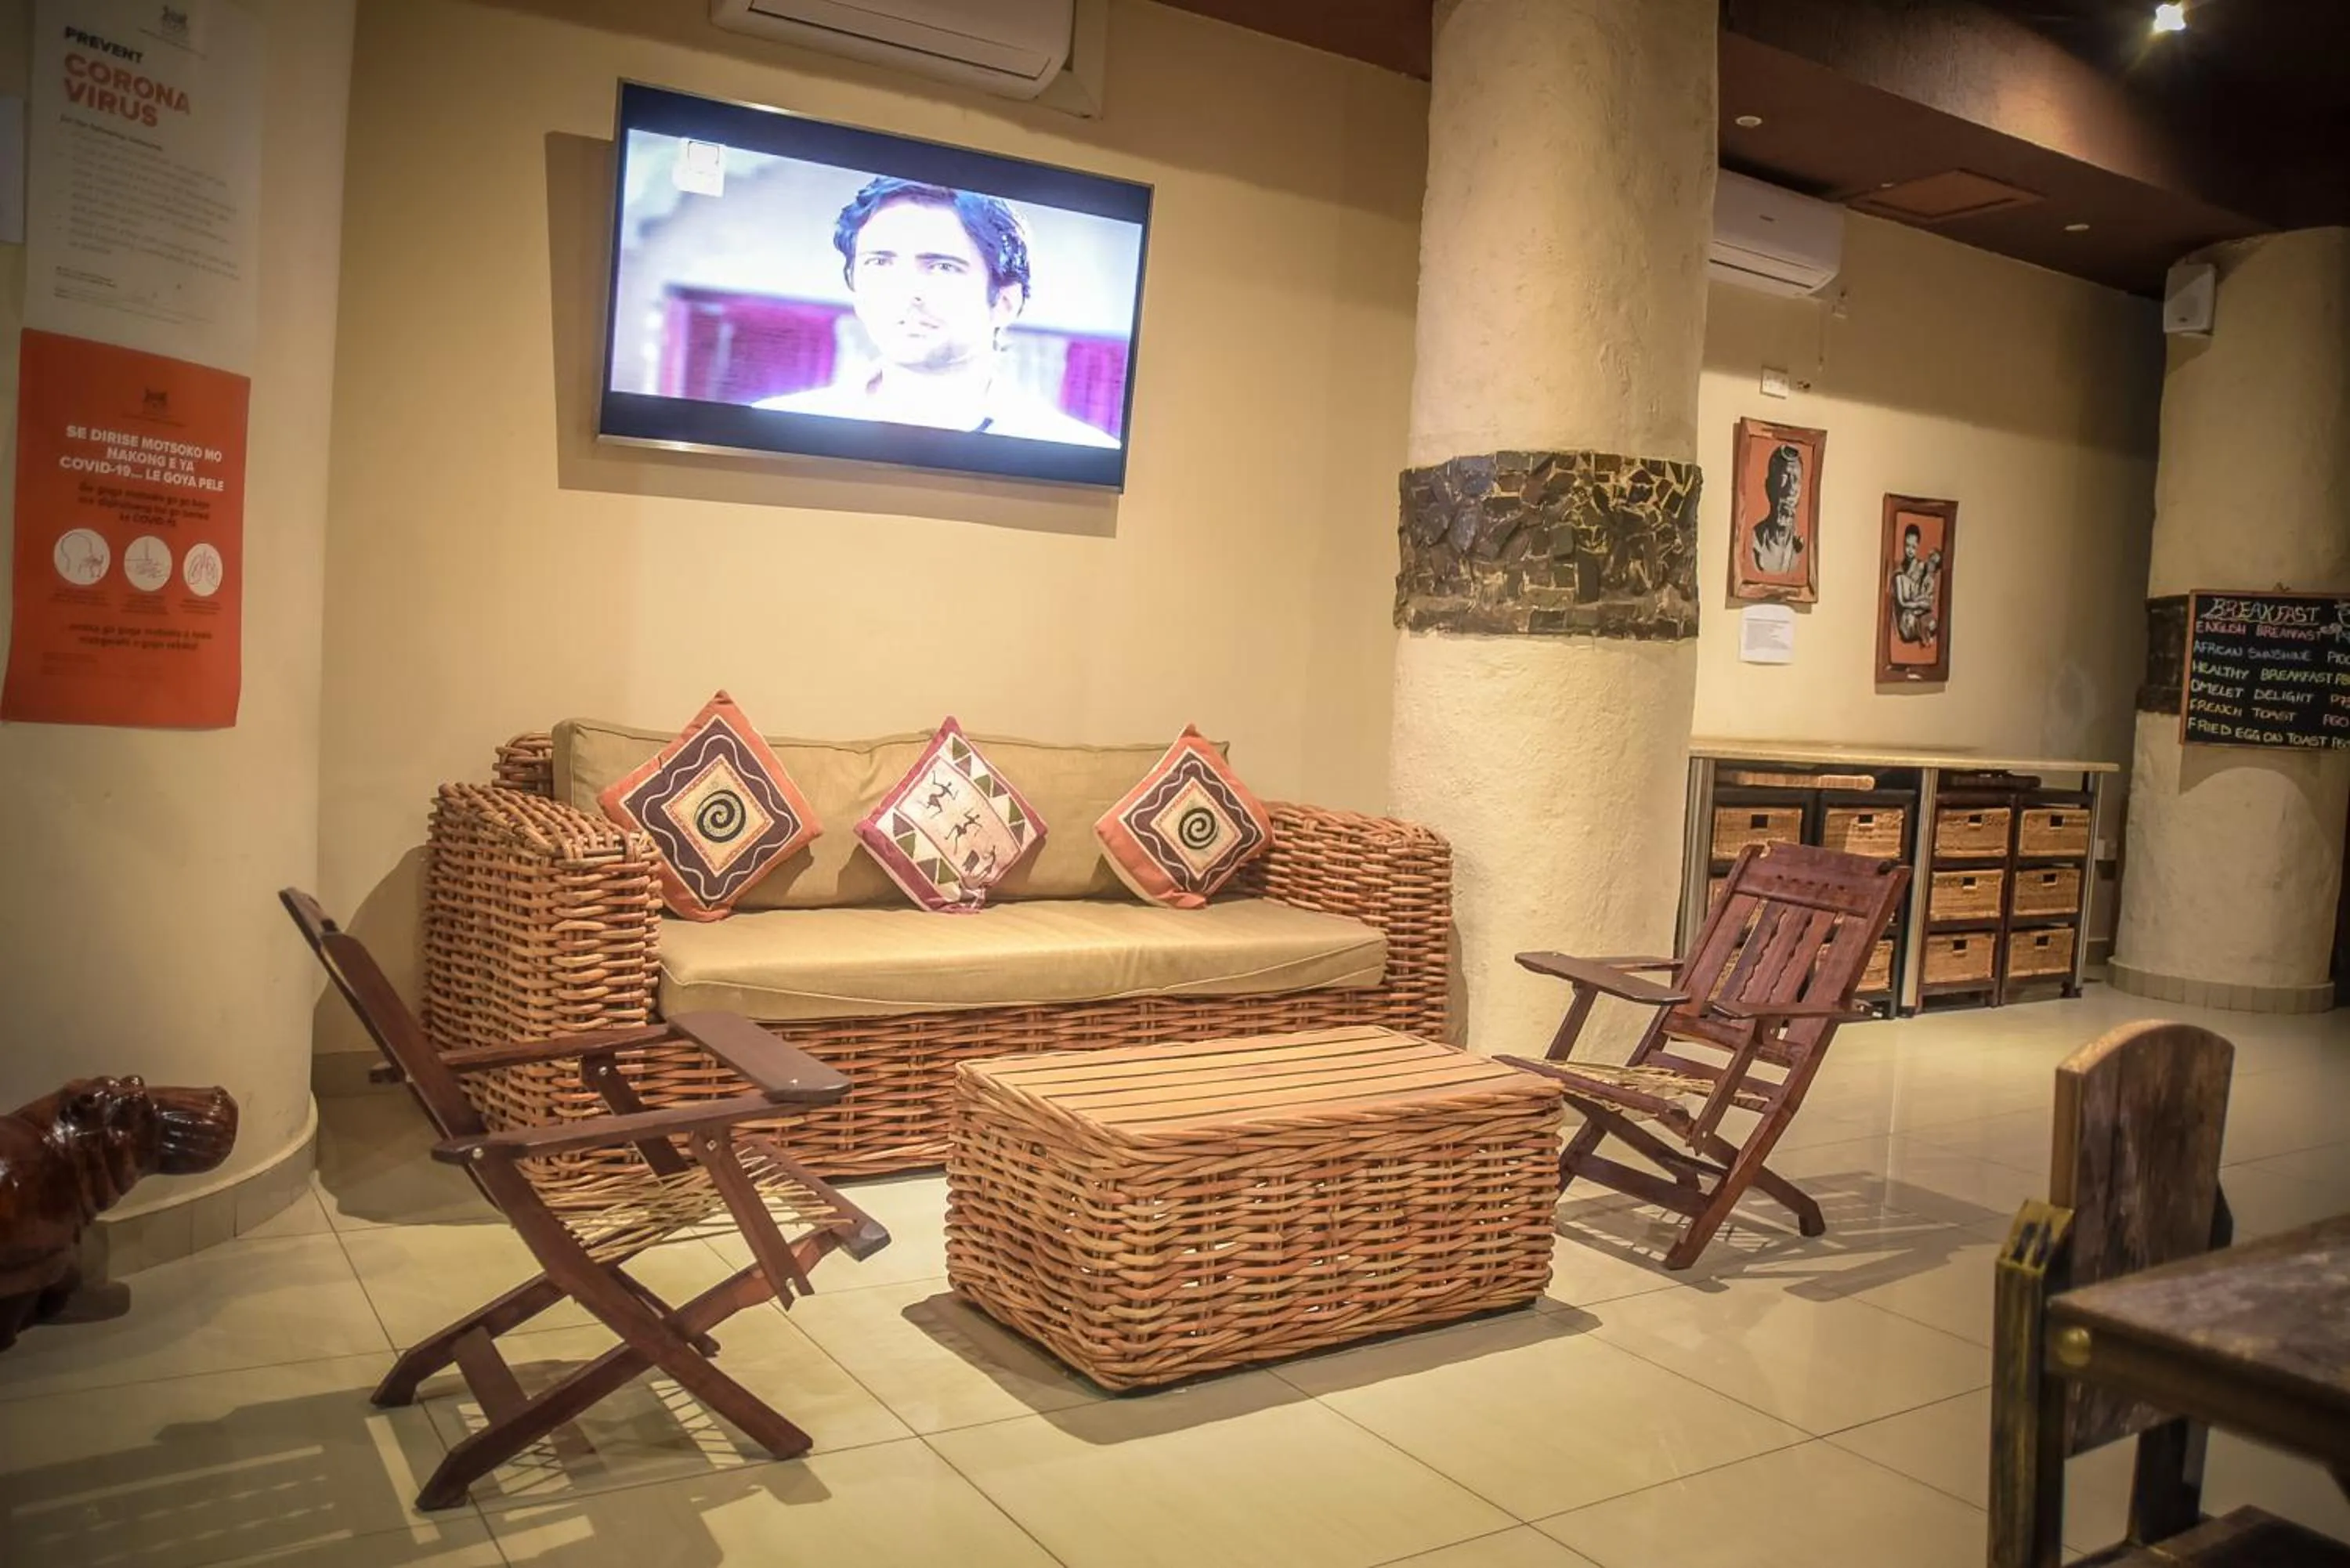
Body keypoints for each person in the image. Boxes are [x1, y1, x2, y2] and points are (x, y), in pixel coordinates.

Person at [756, 177, 1119, 447]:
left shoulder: (1076, 448)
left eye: (943, 267)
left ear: (1005, 303)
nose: (908, 292)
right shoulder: (776, 425)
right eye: (880, 262)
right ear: (857, 292)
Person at [1748, 443, 1806, 576]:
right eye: (1784, 478)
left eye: (1796, 480)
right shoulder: (1753, 542)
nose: (1791, 489)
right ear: (1769, 487)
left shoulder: (1801, 548)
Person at [1890, 522, 1940, 645]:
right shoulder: (1899, 572)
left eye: (1913, 547)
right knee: (1909, 623)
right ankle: (1922, 631)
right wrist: (1915, 604)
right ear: (1903, 545)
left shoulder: (1922, 566)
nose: (1910, 550)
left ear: (1918, 546)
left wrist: (1922, 603)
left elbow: (1928, 596)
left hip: (1920, 610)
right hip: (1907, 614)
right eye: (1907, 546)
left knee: (1933, 623)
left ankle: (1923, 629)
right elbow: (1902, 602)